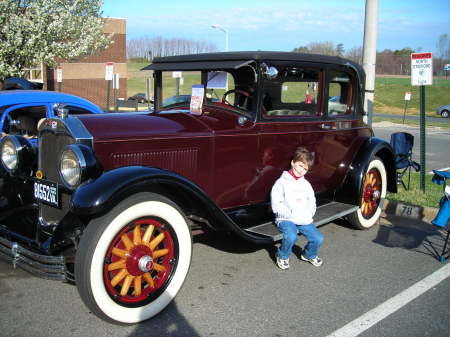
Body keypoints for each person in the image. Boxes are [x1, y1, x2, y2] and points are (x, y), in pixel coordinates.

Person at [270, 147, 324, 270]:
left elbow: (312, 200)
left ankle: (308, 254)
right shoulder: (281, 182)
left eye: (305, 169)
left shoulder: (306, 184)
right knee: (291, 236)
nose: (301, 170)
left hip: (303, 218)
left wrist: (309, 213)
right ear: (293, 162)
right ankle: (282, 256)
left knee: (318, 238)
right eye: (300, 165)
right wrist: (289, 214)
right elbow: (276, 204)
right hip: (286, 218)